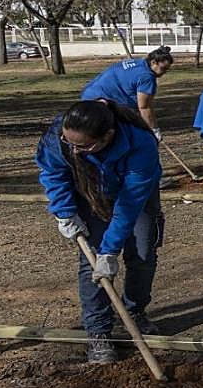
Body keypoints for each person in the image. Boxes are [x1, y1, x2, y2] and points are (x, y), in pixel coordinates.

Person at [36, 100, 164, 363]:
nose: (74, 150)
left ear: (108, 136)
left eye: (82, 146)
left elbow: (129, 205)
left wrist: (111, 251)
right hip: (88, 192)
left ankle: (135, 312)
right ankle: (98, 332)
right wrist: (64, 211)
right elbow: (53, 172)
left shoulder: (140, 144)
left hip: (135, 197)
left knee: (142, 253)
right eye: (69, 143)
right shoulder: (60, 136)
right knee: (91, 262)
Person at [81, 46, 174, 138]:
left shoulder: (138, 63)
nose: (164, 72)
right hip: (100, 101)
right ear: (153, 62)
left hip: (89, 94)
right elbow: (144, 107)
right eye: (163, 68)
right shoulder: (146, 77)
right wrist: (154, 130)